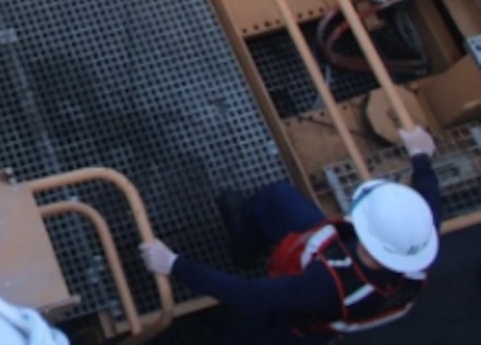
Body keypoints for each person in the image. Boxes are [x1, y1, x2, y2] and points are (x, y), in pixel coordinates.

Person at [139, 125, 442, 343]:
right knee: (278, 198)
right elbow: (430, 205)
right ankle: (244, 246)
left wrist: (174, 264)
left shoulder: (327, 285)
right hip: (320, 251)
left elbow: (249, 294)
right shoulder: (415, 247)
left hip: (290, 322)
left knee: (250, 324)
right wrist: (420, 156)